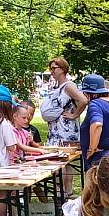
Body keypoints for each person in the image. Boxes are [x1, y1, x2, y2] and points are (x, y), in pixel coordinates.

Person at [41, 57, 87, 194]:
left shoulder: (69, 86)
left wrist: (75, 115)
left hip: (65, 131)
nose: (51, 71)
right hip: (56, 130)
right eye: (50, 68)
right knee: (60, 161)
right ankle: (62, 191)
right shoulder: (58, 86)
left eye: (54, 68)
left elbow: (83, 100)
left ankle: (65, 191)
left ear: (63, 69)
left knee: (64, 161)